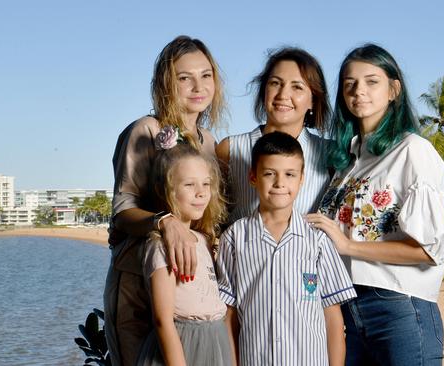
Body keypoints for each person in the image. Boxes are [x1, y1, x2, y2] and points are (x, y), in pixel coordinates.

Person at [305, 44, 444, 366]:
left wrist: (348, 246)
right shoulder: (347, 162)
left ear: (393, 90)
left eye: (372, 81)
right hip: (348, 307)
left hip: (398, 307)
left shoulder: (414, 151)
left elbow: (430, 251)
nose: (359, 91)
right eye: (350, 84)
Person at [104, 35, 226, 366]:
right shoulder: (146, 130)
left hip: (190, 287)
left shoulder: (211, 143)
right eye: (184, 77)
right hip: (138, 281)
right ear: (166, 84)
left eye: (206, 75)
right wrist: (165, 222)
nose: (197, 86)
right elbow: (121, 212)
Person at [216, 131, 356, 366]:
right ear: (253, 177)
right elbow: (230, 317)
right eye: (269, 173)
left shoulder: (318, 240)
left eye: (290, 174)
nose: (280, 183)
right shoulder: (234, 238)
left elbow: (332, 319)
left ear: (302, 179)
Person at [135, 144, 231, 366]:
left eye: (206, 184)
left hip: (215, 341)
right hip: (183, 344)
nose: (201, 192)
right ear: (165, 189)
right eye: (189, 184)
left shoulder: (205, 240)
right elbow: (162, 320)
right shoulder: (160, 244)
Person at [215, 47, 331, 224]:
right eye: (275, 83)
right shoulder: (230, 149)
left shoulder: (330, 154)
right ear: (264, 91)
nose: (283, 95)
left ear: (313, 100)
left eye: (297, 87)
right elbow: (210, 218)